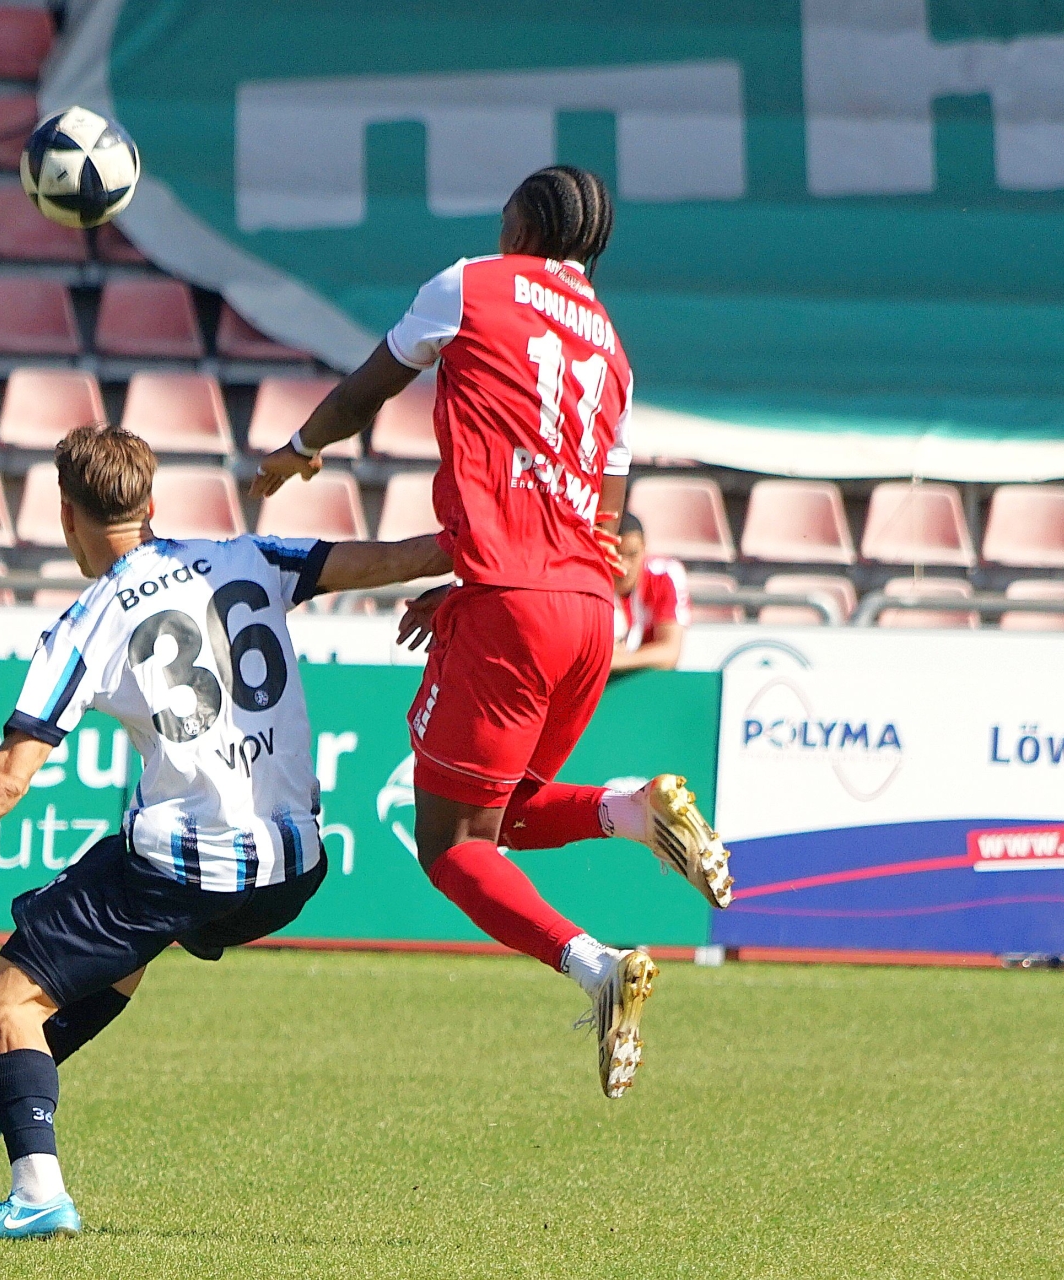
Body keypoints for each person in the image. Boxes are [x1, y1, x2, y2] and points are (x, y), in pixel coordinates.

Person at [0, 424, 448, 1240]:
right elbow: (400, 557)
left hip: (189, 866)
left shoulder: (89, 621)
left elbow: (10, 773)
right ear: (152, 505)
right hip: (293, 869)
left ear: (66, 516)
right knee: (126, 944)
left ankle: (37, 1193)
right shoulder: (249, 557)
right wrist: (498, 561)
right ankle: (1, 1095)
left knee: (2, 1000)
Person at [253, 165, 733, 1100]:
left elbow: (366, 390)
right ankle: (633, 810)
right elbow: (602, 519)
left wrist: (300, 449)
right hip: (587, 610)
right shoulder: (614, 352)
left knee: (449, 847)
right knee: (507, 816)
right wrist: (477, 587)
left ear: (526, 223)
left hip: (515, 603)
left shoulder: (472, 284)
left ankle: (597, 966)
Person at [609, 513, 689, 673]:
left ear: (644, 549)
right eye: (616, 555)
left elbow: (670, 653)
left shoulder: (665, 574)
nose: (624, 565)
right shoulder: (589, 577)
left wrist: (615, 661)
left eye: (632, 554)